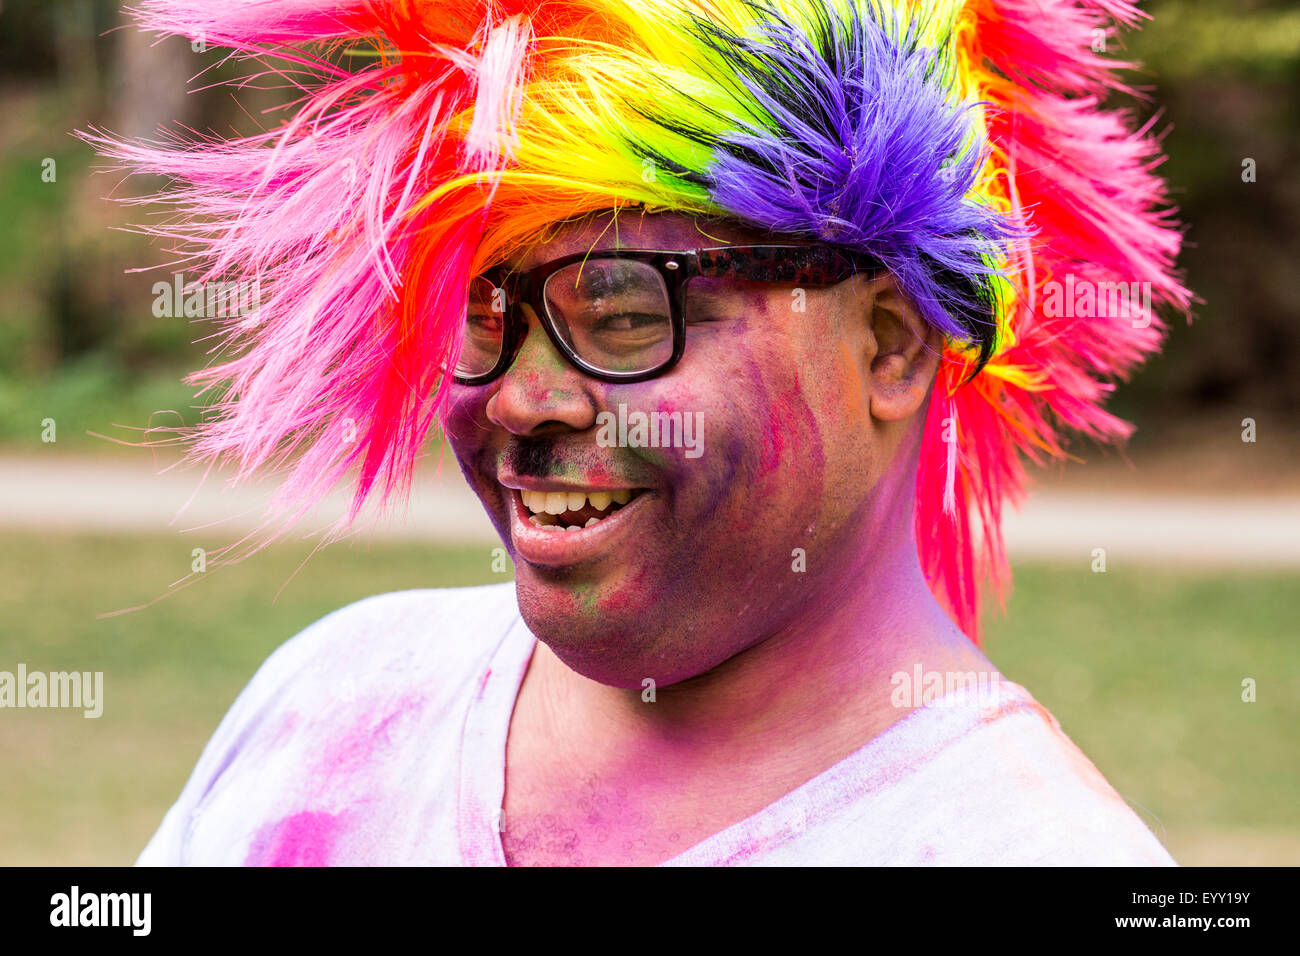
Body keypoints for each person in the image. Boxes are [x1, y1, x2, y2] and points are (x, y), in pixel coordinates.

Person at [90, 0, 1188, 865]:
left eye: (621, 310)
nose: (519, 400)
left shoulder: (1034, 849)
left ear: (890, 345)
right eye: (480, 313)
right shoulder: (330, 703)